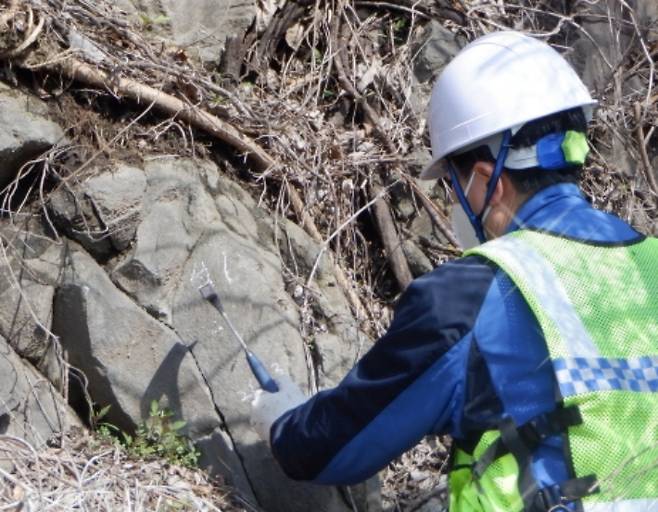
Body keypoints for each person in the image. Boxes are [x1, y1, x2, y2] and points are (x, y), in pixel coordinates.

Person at [251, 31, 658, 511]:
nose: (452, 202)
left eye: (452, 183)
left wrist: (285, 424)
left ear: (487, 180)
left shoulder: (471, 297)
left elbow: (332, 449)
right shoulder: (649, 263)